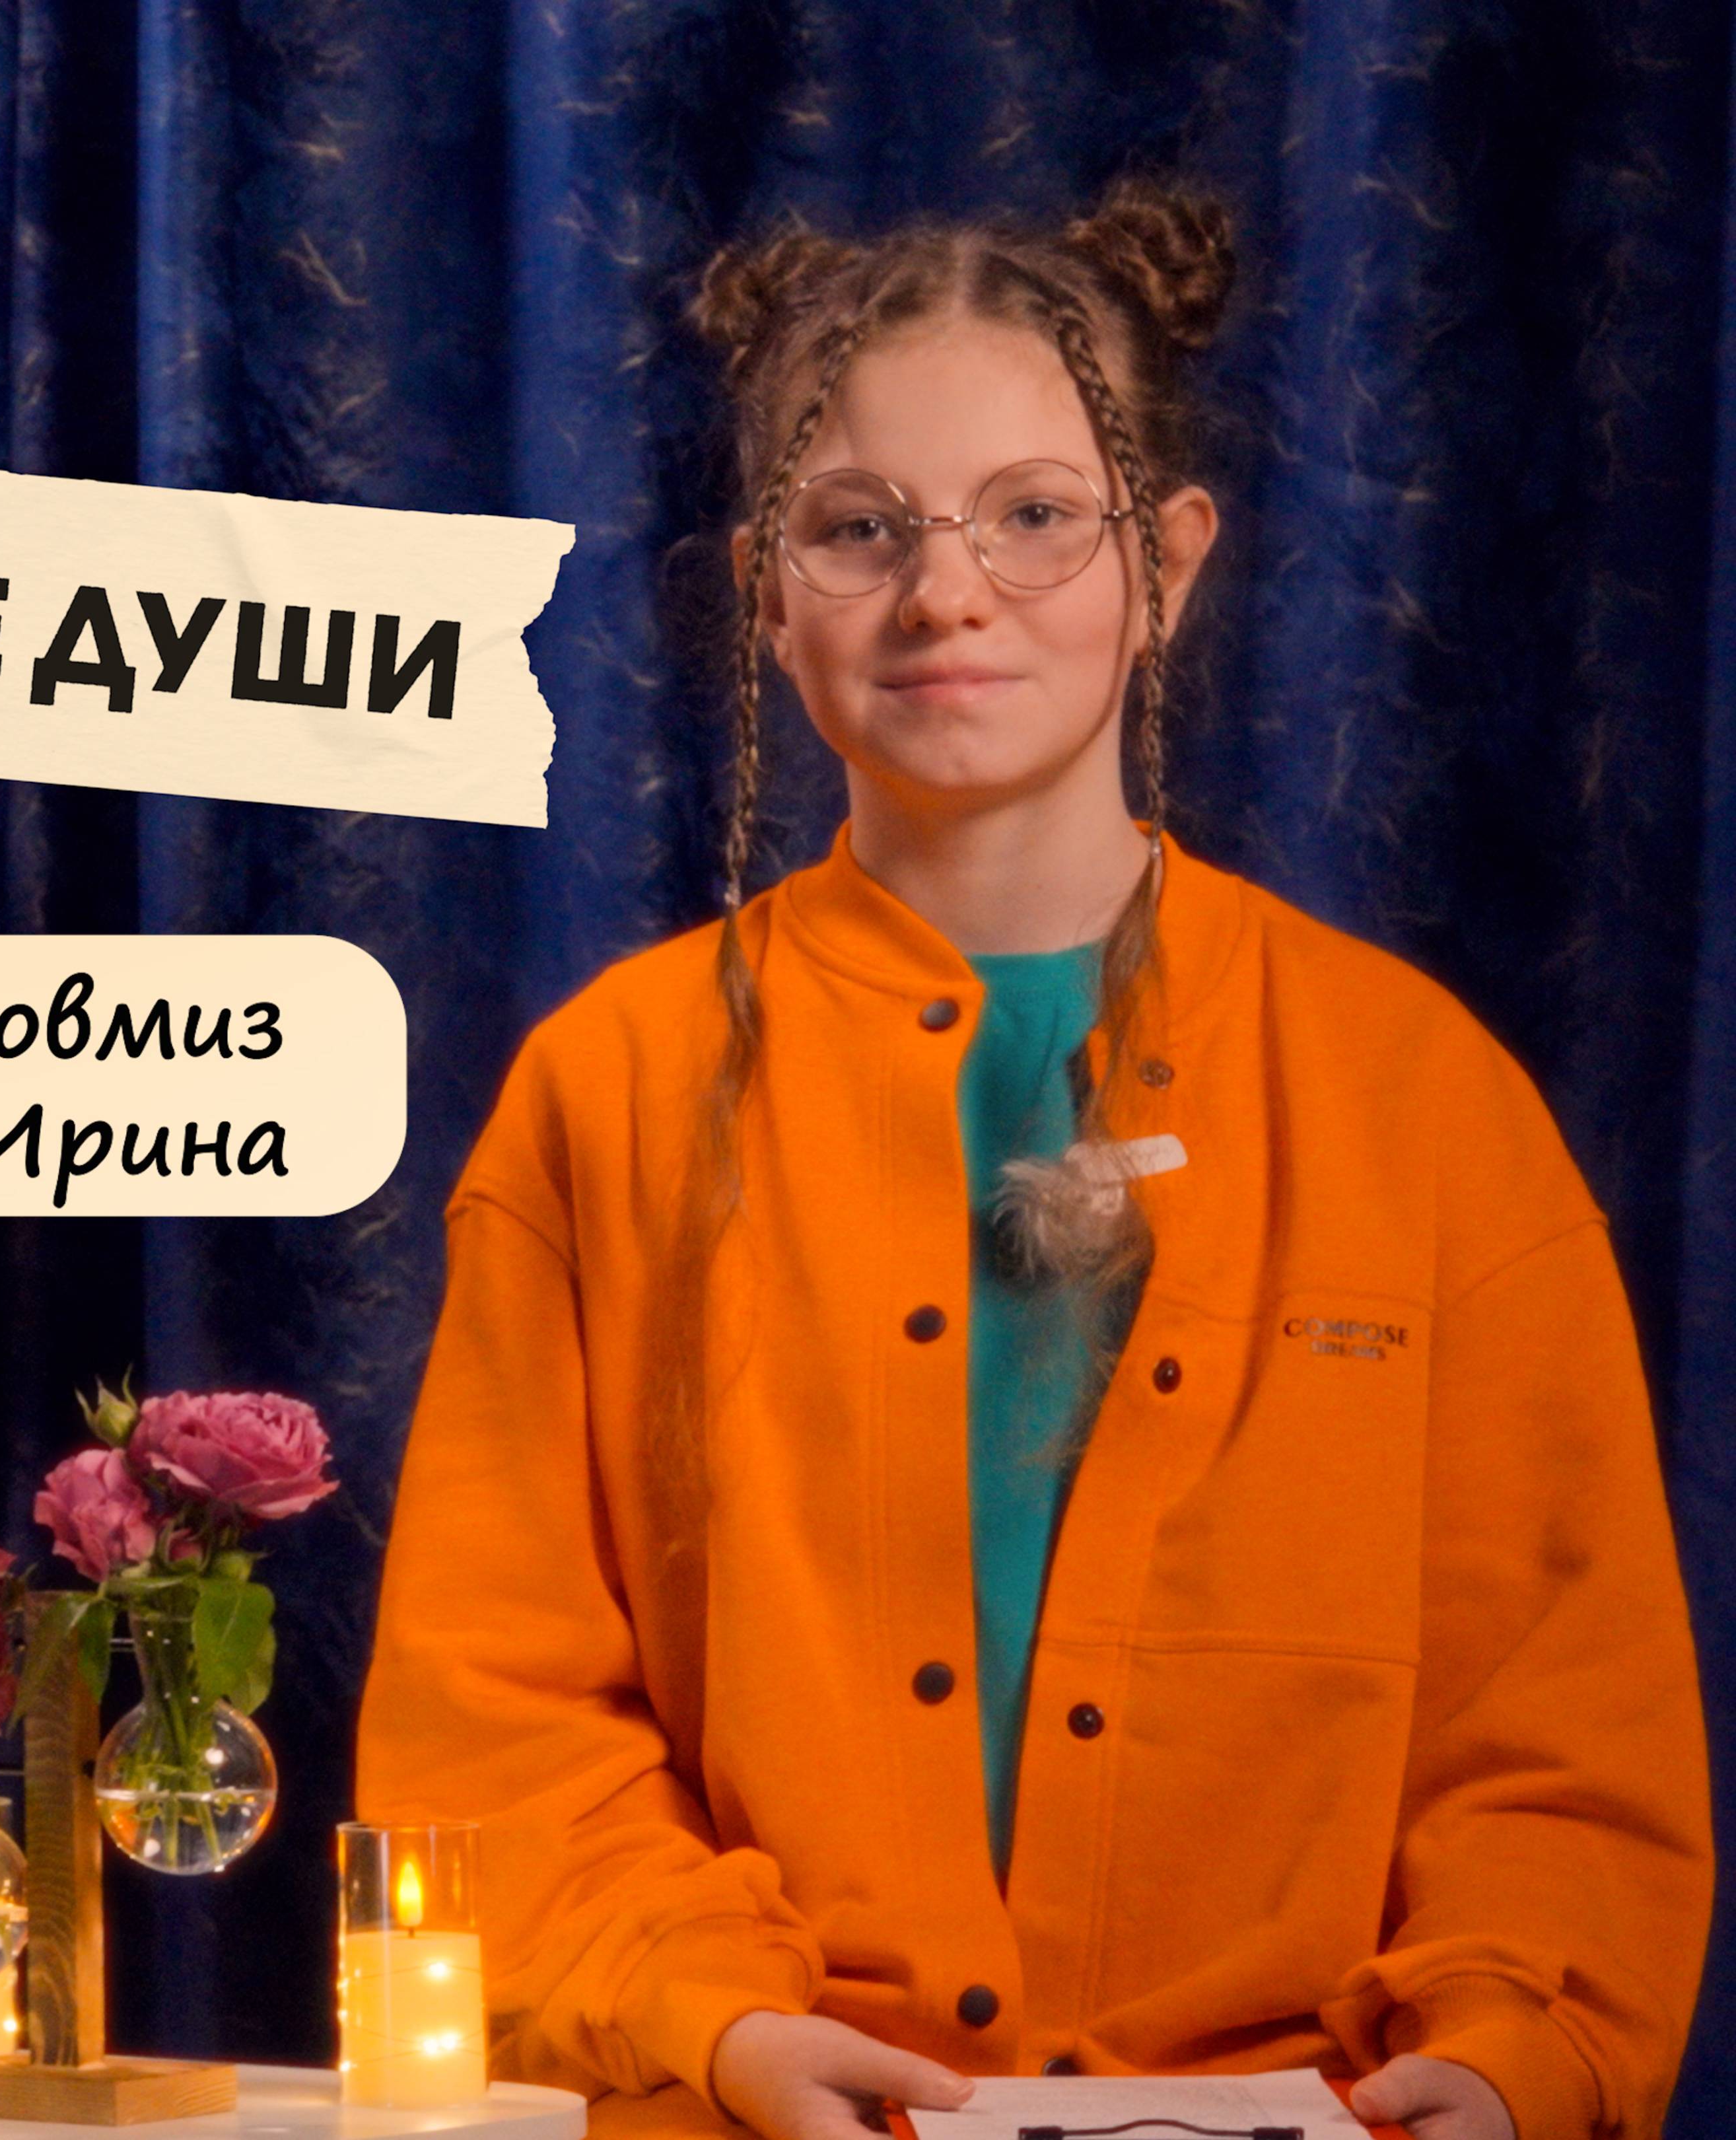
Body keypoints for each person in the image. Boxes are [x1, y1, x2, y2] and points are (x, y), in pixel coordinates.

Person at [351, 182, 1709, 2140]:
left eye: (1036, 514)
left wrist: (1508, 2060)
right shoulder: (612, 1090)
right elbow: (500, 1728)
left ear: (1169, 564)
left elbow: (1561, 1738)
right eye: (859, 528)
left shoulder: (1424, 1100)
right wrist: (715, 2024)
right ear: (763, 591)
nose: (946, 593)